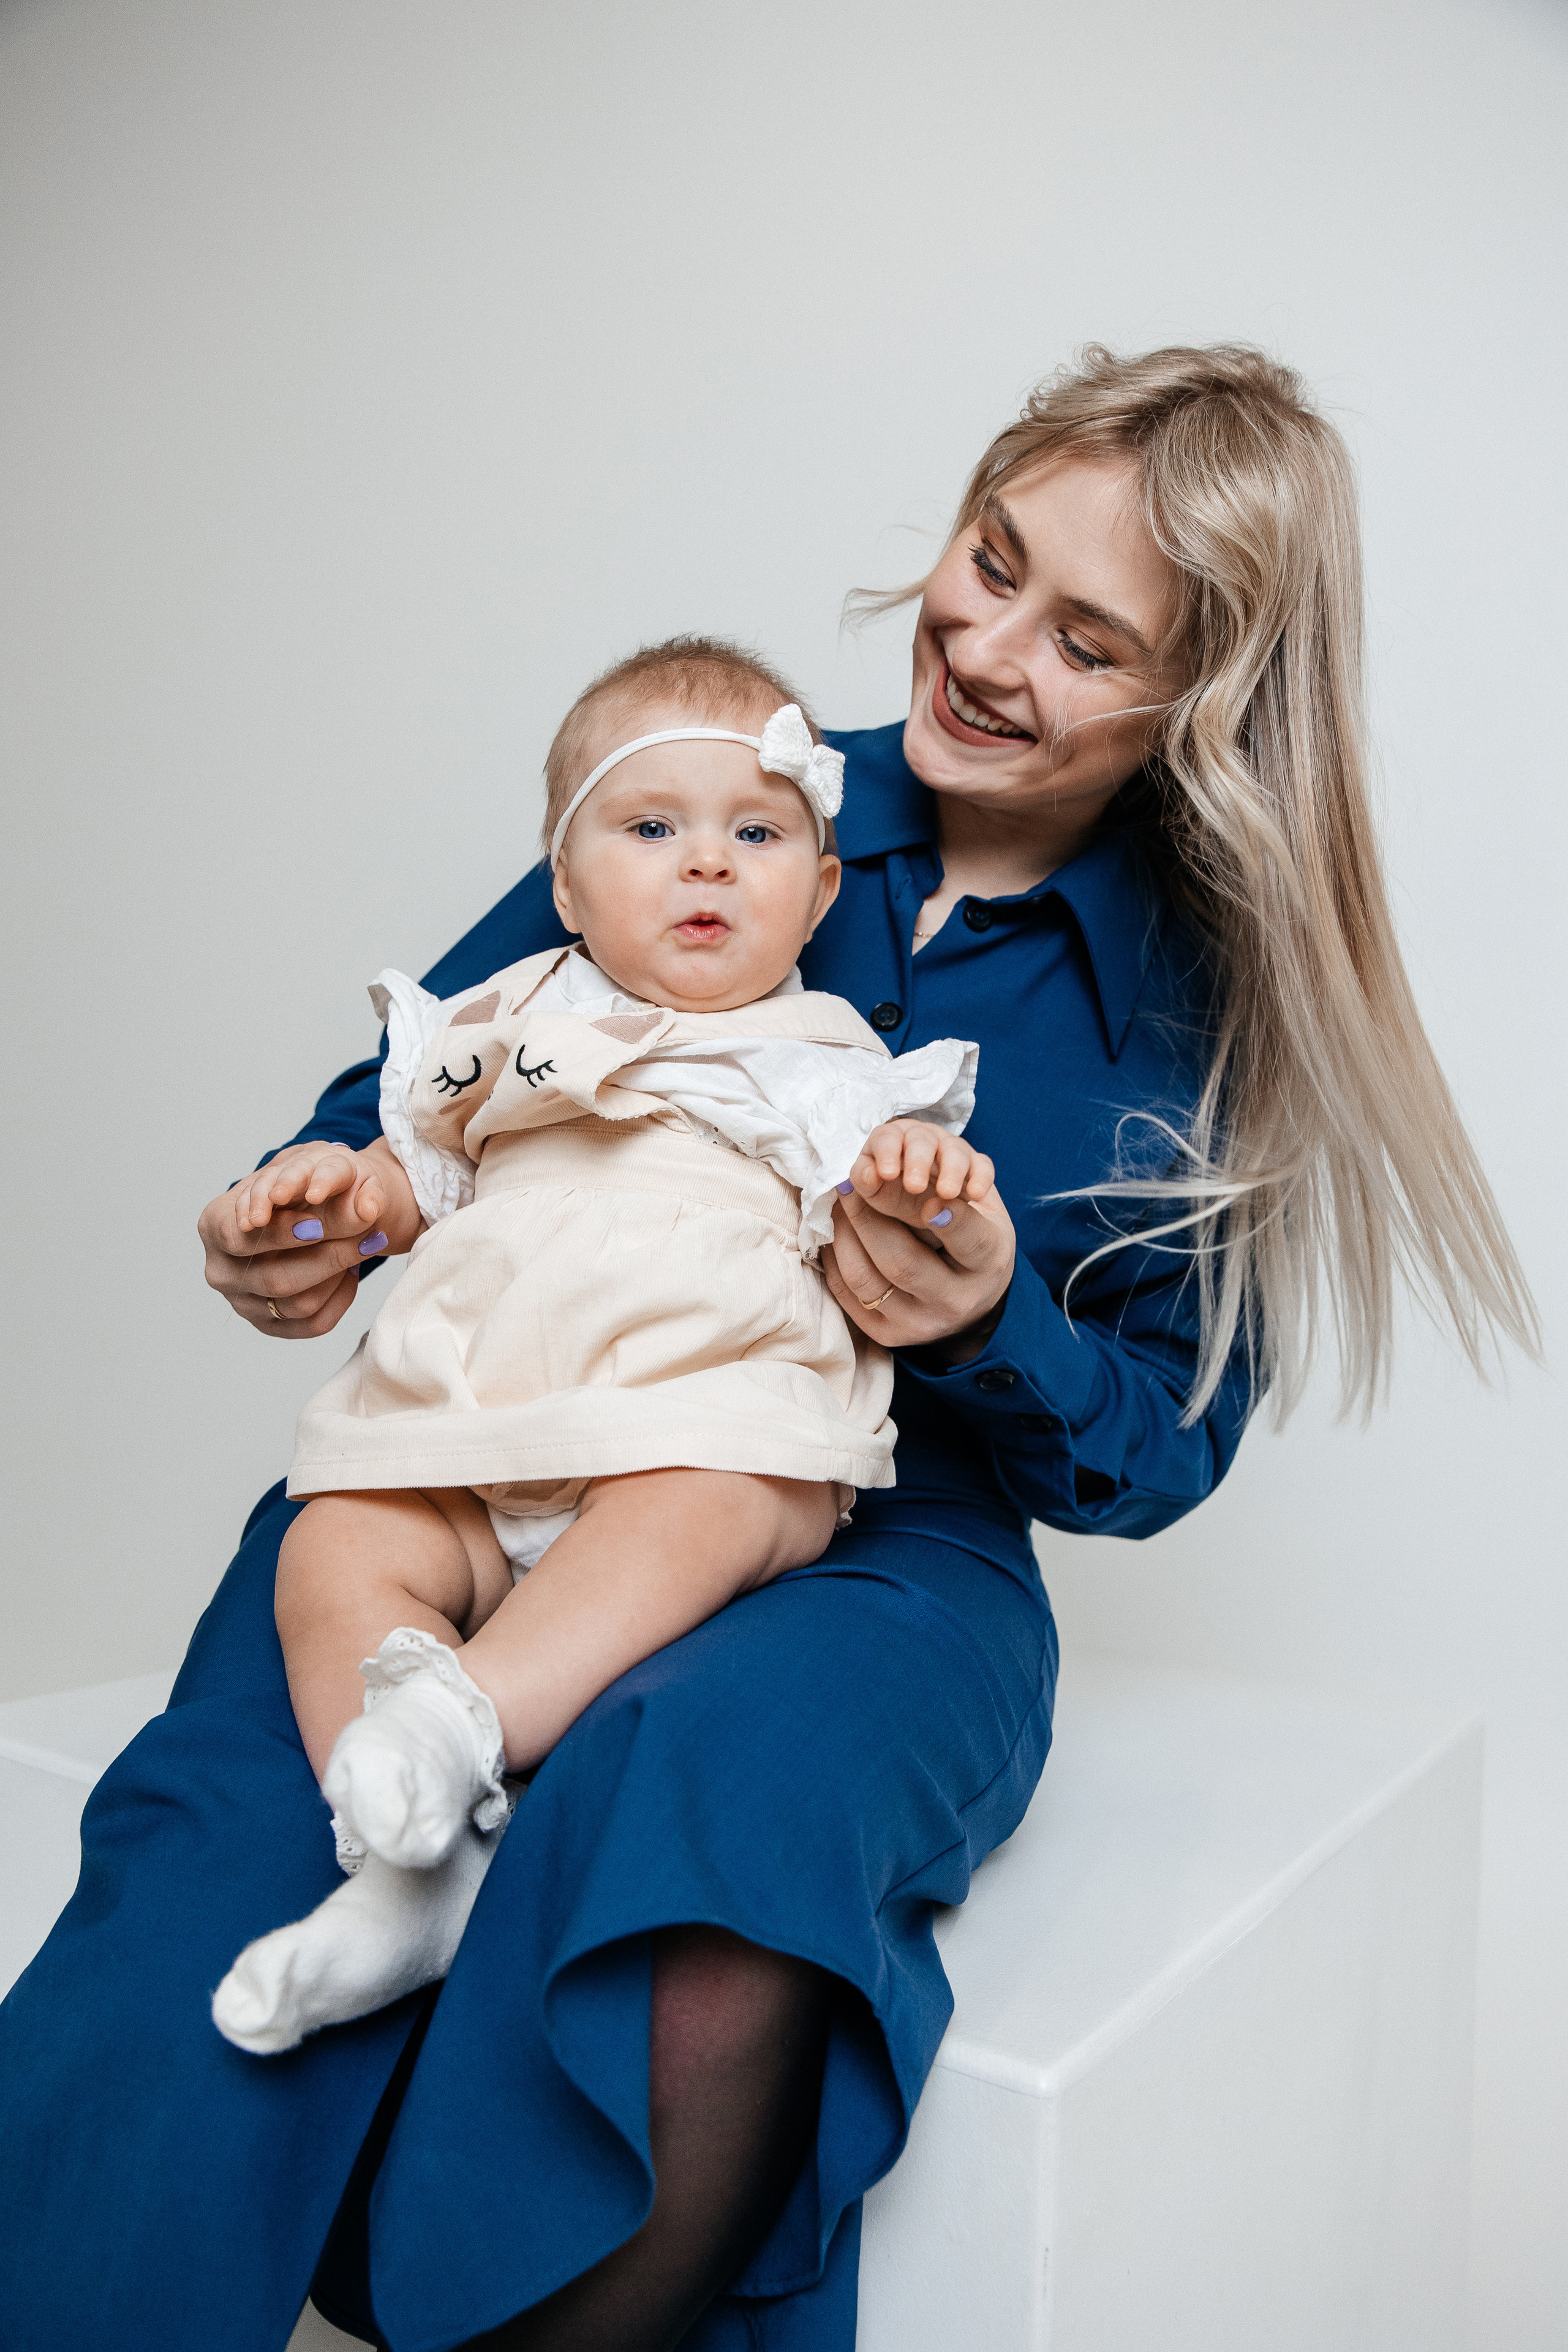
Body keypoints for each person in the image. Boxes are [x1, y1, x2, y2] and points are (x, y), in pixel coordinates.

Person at [0, 345, 1535, 2352]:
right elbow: (429, 1081)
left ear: (1201, 703)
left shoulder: (1209, 1005)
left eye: (1086, 640)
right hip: (503, 1414)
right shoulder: (717, 776)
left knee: (715, 1842)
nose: (986, 647)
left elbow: (1159, 1443)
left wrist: (989, 1328)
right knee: (244, 1824)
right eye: (989, 561)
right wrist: (311, 1205)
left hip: (881, 1526)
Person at [211, 659, 989, 2059]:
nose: (705, 859)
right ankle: (399, 1862)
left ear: (817, 896)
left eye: (755, 835)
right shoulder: (495, 1037)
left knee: (712, 1505)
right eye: (648, 830)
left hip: (692, 1423)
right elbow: (414, 1174)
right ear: (563, 889)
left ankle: (461, 1727)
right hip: (477, 1422)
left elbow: (880, 1193)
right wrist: (336, 1192)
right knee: (331, 1546)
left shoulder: (817, 1059)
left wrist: (919, 1172)